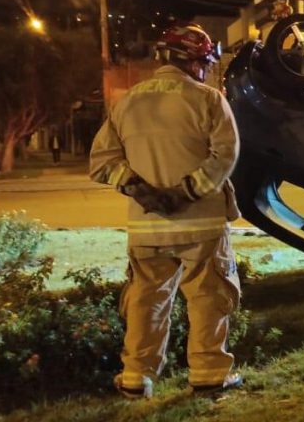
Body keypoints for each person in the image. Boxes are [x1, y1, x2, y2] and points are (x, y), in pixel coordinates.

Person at [89, 23, 243, 399]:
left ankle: (135, 378)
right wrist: (188, 190)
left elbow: (101, 161)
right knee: (208, 297)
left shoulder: (128, 101)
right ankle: (209, 375)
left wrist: (143, 192)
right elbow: (226, 154)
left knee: (146, 301)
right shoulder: (207, 98)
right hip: (201, 225)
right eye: (204, 62)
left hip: (146, 228)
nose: (205, 69)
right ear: (192, 61)